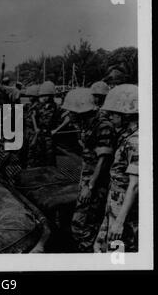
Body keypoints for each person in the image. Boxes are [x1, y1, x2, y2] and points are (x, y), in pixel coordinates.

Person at [61, 88, 115, 252]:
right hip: (88, 179)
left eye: (72, 111)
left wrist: (89, 186)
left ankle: (85, 255)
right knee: (87, 223)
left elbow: (103, 160)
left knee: (82, 225)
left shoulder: (103, 126)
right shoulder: (89, 123)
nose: (70, 114)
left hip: (95, 183)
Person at [94, 84, 138, 253]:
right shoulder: (125, 136)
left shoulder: (135, 141)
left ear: (126, 115)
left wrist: (119, 222)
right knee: (100, 249)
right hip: (114, 203)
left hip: (123, 210)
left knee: (116, 258)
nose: (110, 116)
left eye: (114, 113)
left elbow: (135, 185)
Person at [34, 80, 61, 166]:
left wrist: (56, 130)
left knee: (50, 158)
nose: (44, 97)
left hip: (50, 135)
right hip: (40, 135)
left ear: (51, 95)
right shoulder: (40, 106)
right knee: (39, 157)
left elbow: (67, 118)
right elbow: (34, 116)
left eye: (46, 95)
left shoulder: (56, 107)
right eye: (42, 95)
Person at [20, 84, 40, 168]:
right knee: (24, 152)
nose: (29, 98)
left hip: (33, 133)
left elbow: (37, 126)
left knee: (31, 153)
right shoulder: (29, 106)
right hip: (27, 132)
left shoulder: (38, 107)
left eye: (31, 96)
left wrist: (35, 138)